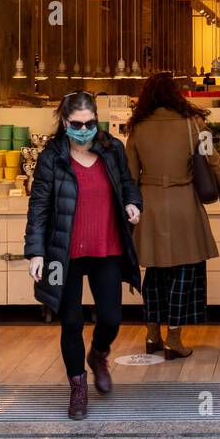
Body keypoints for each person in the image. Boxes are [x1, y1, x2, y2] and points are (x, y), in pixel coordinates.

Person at [25, 91, 143, 420]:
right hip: (64, 255)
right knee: (72, 322)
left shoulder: (112, 149)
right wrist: (36, 252)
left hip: (106, 247)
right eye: (77, 124)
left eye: (90, 123)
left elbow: (128, 184)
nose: (84, 129)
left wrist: (133, 203)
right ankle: (78, 389)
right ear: (65, 123)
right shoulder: (52, 157)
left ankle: (99, 354)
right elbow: (39, 207)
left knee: (111, 317)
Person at [125, 72, 220, 359]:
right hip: (184, 204)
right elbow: (215, 162)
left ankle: (152, 335)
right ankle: (174, 338)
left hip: (149, 206)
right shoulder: (195, 125)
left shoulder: (137, 129)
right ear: (175, 93)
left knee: (154, 272)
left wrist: (128, 208)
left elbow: (129, 176)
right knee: (184, 271)